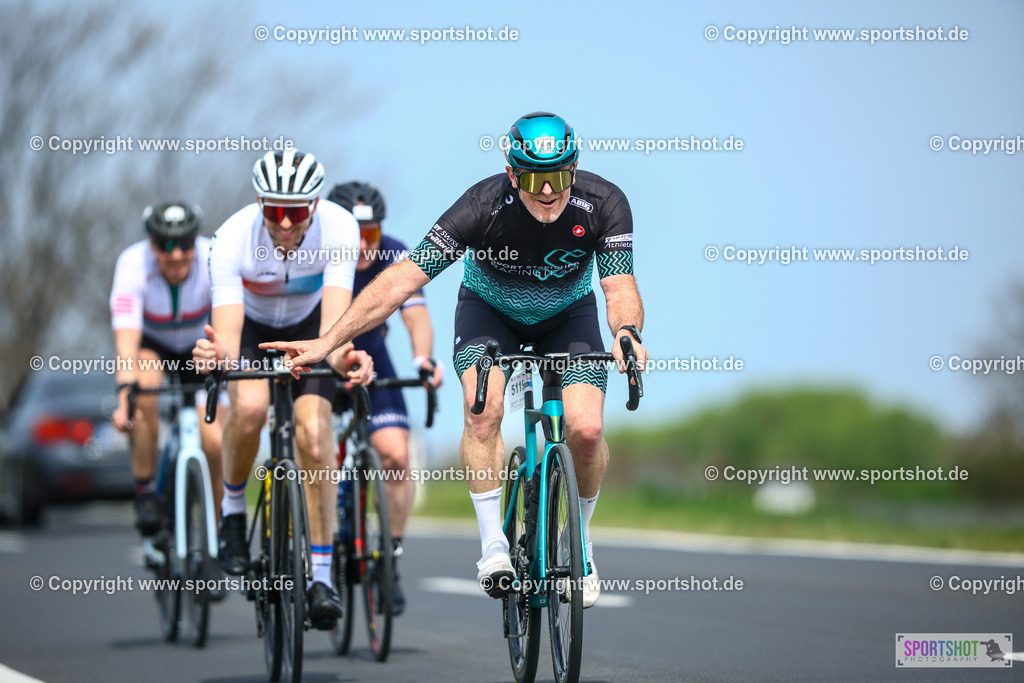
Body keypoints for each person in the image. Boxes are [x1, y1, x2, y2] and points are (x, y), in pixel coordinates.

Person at [261, 113, 648, 609]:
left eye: (558, 176)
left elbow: (619, 286)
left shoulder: (604, 202)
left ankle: (581, 544)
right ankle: (493, 547)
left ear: (574, 168)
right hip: (490, 312)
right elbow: (401, 282)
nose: (549, 192)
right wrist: (326, 342)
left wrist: (626, 332)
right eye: (534, 180)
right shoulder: (481, 207)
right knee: (482, 411)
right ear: (512, 175)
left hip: (568, 315)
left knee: (587, 430)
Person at [191, 149, 372, 628]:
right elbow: (228, 337)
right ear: (259, 203)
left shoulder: (339, 228)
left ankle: (322, 577)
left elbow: (335, 329)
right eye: (275, 211)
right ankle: (232, 511)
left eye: (297, 211)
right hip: (251, 329)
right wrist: (216, 356)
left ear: (314, 204)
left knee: (314, 432)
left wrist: (346, 359)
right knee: (250, 407)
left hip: (313, 328)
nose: (286, 223)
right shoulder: (232, 237)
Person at [326, 181, 444, 615]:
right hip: (321, 365)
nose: (363, 245)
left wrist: (423, 360)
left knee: (395, 455)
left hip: (374, 364)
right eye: (354, 236)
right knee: (312, 453)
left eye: (371, 234)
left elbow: (417, 317)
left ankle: (390, 558)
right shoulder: (315, 253)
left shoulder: (394, 253)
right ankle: (318, 547)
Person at [110, 202, 225, 536]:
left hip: (199, 346)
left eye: (185, 244)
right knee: (143, 385)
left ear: (196, 240)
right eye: (165, 245)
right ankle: (145, 490)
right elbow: (126, 342)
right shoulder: (132, 264)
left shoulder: (213, 258)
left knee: (214, 442)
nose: (176, 255)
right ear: (151, 244)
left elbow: (227, 325)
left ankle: (221, 526)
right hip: (154, 344)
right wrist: (125, 396)